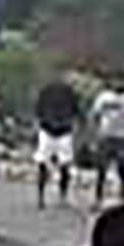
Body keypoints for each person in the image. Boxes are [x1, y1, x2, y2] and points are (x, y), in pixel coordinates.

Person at [30, 72, 82, 207]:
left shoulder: (52, 91)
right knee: (54, 165)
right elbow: (77, 113)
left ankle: (47, 197)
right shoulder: (68, 93)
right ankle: (53, 197)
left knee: (50, 164)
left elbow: (38, 109)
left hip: (54, 130)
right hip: (56, 130)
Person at [91, 84, 124, 203]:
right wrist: (95, 133)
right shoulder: (104, 97)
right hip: (107, 136)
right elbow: (95, 115)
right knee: (102, 168)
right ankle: (98, 196)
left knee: (122, 167)